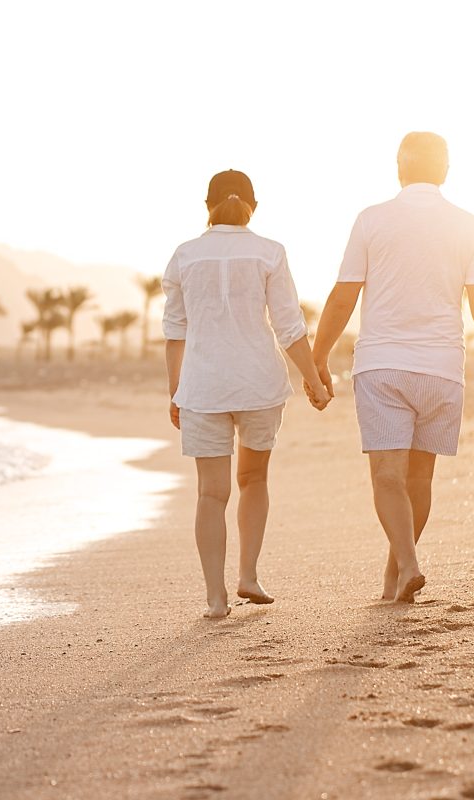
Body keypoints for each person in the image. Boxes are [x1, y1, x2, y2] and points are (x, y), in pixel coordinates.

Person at [309, 132, 474, 604]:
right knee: (418, 480)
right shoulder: (467, 224)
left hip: (382, 367)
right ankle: (395, 578)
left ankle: (409, 565)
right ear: (446, 171)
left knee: (387, 478)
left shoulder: (371, 219)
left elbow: (344, 296)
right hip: (443, 369)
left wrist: (318, 358)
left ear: (398, 167)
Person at [164, 169, 331, 619]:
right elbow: (289, 325)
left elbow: (175, 331)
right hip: (258, 383)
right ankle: (249, 576)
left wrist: (175, 391)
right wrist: (313, 380)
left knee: (210, 494)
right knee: (253, 480)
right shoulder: (269, 252)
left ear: (207, 206)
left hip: (202, 387)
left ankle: (216, 598)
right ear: (252, 207)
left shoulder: (184, 256)